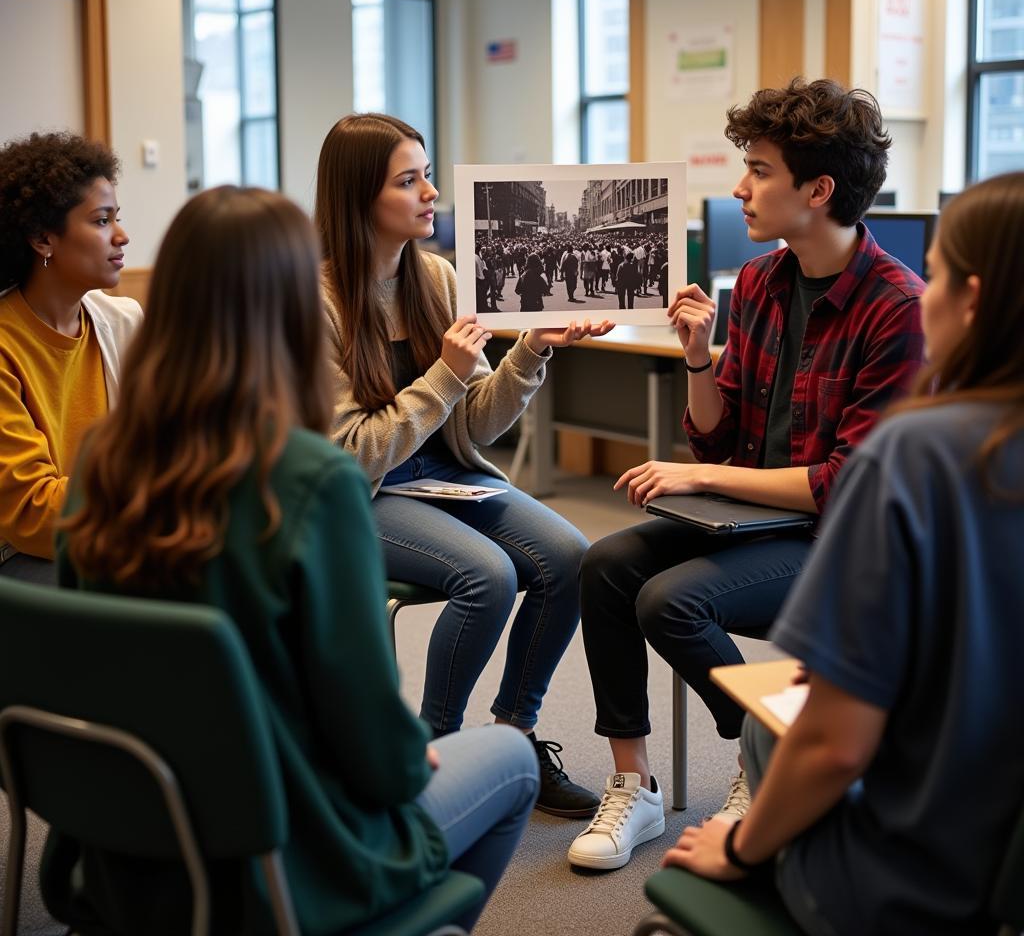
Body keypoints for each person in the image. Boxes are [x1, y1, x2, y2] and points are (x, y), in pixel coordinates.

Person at [52, 185, 539, 935]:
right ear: (288, 311)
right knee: (511, 760)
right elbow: (373, 738)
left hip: (133, 846)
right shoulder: (310, 482)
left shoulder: (100, 463)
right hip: (288, 860)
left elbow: (85, 661)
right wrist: (410, 761)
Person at [569, 78, 927, 870]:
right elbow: (716, 438)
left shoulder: (898, 307)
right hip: (747, 515)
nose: (740, 188)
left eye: (759, 170)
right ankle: (635, 784)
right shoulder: (763, 282)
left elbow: (843, 485)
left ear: (819, 189)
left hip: (834, 541)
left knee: (671, 601)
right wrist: (700, 357)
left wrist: (699, 481)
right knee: (604, 566)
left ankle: (761, 767)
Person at [665, 171, 1024, 936]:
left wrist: (741, 848)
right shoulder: (763, 286)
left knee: (779, 729)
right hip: (1004, 860)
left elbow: (834, 746)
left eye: (937, 276)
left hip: (919, 887)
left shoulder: (920, 455)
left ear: (972, 299)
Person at [315, 113, 613, 817]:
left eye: (427, 174)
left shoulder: (440, 277)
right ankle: (429, 756)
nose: (430, 194)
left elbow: (473, 421)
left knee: (573, 555)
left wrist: (531, 350)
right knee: (489, 575)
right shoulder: (317, 301)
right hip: (366, 490)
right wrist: (444, 376)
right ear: (360, 198)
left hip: (447, 478)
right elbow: (349, 456)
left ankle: (515, 736)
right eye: (409, 180)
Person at [0, 131, 141, 585]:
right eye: (102, 221)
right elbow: (33, 514)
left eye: (116, 218)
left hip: (112, 526)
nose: (121, 236)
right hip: (26, 556)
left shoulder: (123, 322)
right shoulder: (6, 345)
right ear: (43, 239)